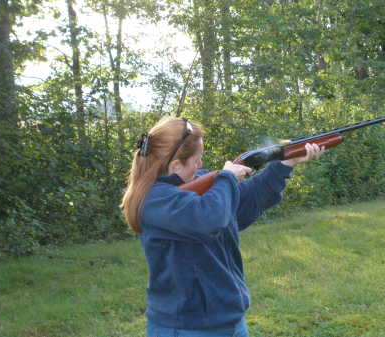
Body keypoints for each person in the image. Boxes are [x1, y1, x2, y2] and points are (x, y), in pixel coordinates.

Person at [121, 117, 324, 337]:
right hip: (188, 328)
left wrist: (285, 163)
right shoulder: (155, 200)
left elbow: (244, 202)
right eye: (197, 160)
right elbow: (210, 218)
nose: (200, 166)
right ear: (175, 165)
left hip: (229, 320)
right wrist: (227, 178)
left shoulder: (200, 185)